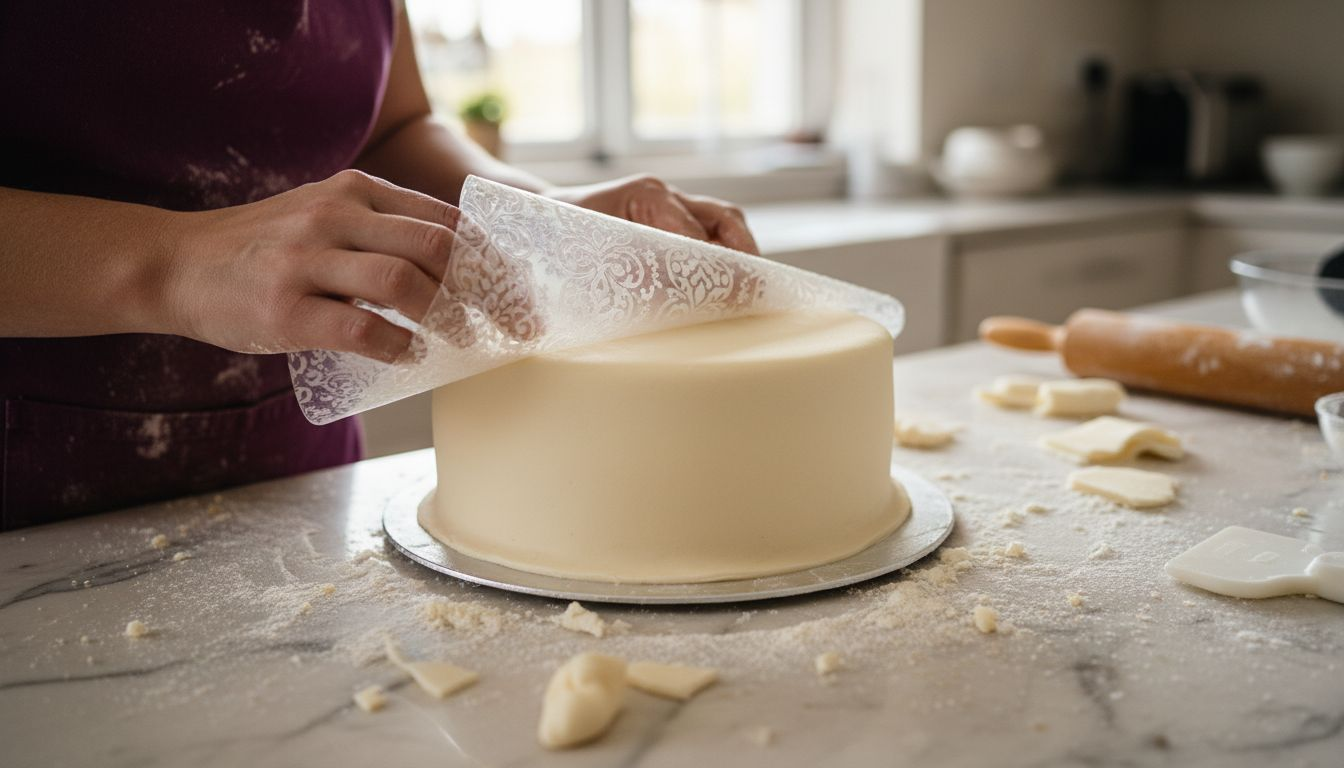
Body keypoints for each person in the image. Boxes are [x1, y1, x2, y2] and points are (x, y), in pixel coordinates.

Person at [0, 1, 759, 530]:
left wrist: (543, 215)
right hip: (31, 500)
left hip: (297, 470)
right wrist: (176, 265)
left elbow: (395, 127)